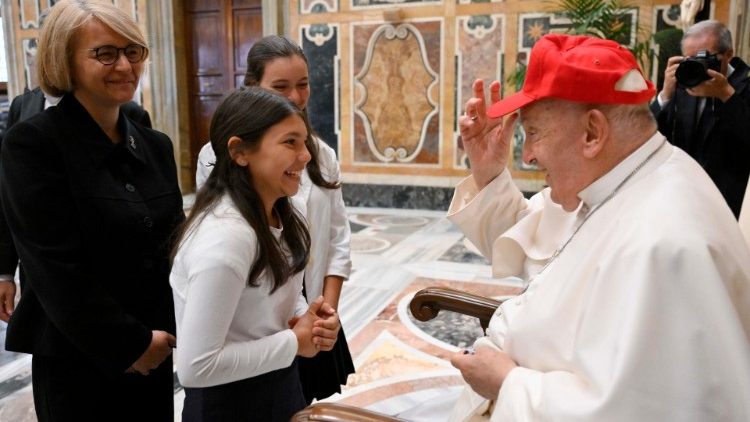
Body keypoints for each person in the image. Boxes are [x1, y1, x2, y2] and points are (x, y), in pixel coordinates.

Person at [442, 34, 750, 421]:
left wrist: (508, 384)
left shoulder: (664, 246)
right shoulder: (621, 179)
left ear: (592, 133)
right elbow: (540, 248)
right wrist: (488, 174)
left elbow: (635, 411)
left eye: (533, 133)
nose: (528, 155)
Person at [0, 1, 182, 420]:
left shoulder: (155, 145)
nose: (125, 65)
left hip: (156, 347)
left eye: (133, 51)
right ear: (65, 60)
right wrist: (130, 345)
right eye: (105, 53)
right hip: (80, 359)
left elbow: (174, 242)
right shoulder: (34, 144)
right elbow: (55, 269)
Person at [195, 35, 354, 403]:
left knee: (298, 402)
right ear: (253, 88)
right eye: (281, 87)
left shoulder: (321, 155)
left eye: (303, 85)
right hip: (254, 327)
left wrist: (324, 313)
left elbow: (337, 240)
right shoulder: (216, 156)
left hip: (308, 314)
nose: (296, 97)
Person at [171, 86, 341, 421]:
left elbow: (275, 292)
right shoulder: (225, 240)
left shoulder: (283, 210)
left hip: (279, 383)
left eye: (304, 141)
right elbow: (196, 367)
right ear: (240, 151)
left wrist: (308, 318)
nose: (306, 155)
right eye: (289, 142)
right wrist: (294, 342)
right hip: (229, 405)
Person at [0, 86, 152, 322]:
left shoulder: (130, 112)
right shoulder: (23, 105)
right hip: (41, 272)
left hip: (107, 273)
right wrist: (5, 273)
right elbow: (9, 195)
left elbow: (140, 198)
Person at [650, 20, 750, 218]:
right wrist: (664, 96)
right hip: (681, 197)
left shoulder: (745, 85)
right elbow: (649, 137)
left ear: (728, 54)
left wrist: (727, 95)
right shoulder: (682, 81)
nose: (697, 66)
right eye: (689, 59)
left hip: (730, 203)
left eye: (704, 58)